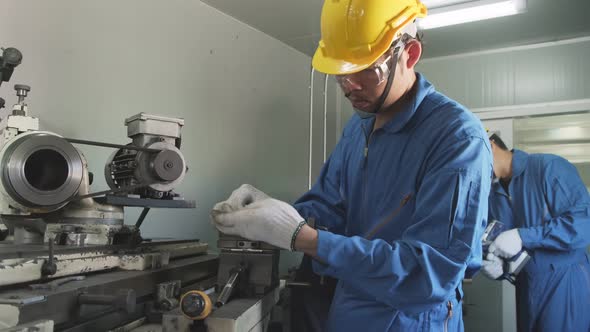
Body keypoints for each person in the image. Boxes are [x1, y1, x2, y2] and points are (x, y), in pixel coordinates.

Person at [210, 0, 493, 330]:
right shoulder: (358, 130)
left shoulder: (456, 137)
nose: (349, 85)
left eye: (364, 69)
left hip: (413, 320)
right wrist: (268, 214)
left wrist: (303, 238)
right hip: (349, 309)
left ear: (410, 54)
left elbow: (427, 276)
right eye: (340, 71)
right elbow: (327, 207)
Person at [481, 133, 590, 332]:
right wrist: (501, 270)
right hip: (527, 289)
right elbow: (508, 249)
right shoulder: (492, 197)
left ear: (490, 144)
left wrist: (523, 235)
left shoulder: (548, 168)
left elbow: (582, 225)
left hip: (565, 283)